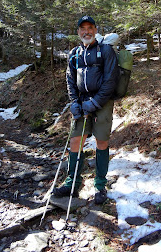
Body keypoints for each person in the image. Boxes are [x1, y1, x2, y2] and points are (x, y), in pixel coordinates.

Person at [53, 15, 119, 204]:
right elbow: (70, 80)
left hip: (102, 103)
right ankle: (72, 184)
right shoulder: (74, 53)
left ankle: (100, 186)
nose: (86, 31)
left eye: (90, 28)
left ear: (96, 30)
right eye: (83, 28)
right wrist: (74, 102)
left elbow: (110, 81)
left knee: (102, 142)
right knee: (76, 140)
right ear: (78, 32)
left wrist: (95, 103)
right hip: (81, 102)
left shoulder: (105, 51)